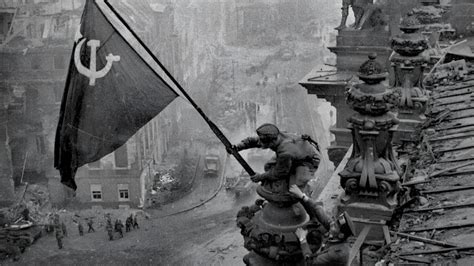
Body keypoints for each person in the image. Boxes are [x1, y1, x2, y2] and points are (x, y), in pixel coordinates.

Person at [228, 123, 320, 191]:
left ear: (272, 142)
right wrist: (238, 147)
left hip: (309, 160)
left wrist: (260, 177)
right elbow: (254, 141)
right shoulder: (276, 136)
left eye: (263, 143)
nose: (260, 144)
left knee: (294, 188)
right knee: (268, 166)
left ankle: (303, 190)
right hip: (297, 152)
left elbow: (280, 172)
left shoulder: (285, 152)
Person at [290, 185, 355, 266]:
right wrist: (303, 196)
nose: (331, 223)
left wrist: (302, 239)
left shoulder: (337, 253)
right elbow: (319, 210)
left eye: (335, 226)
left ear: (341, 235)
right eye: (334, 222)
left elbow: (310, 263)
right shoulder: (336, 232)